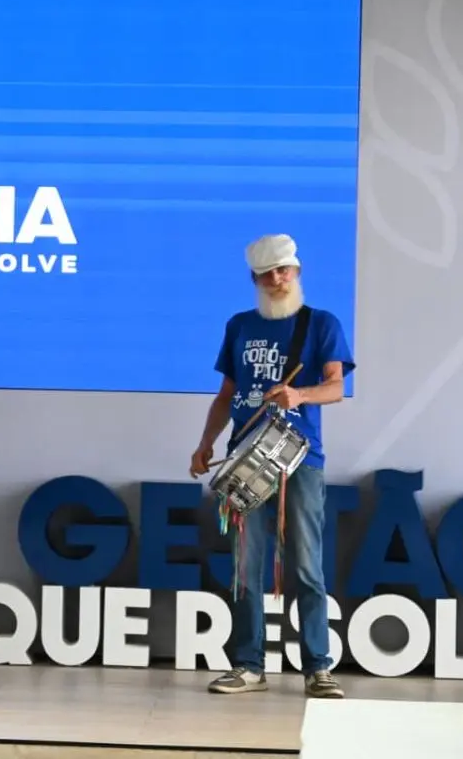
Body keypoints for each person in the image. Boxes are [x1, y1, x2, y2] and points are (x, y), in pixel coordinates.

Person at [189, 234, 354, 699]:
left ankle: (318, 668)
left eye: (284, 270)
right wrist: (205, 444)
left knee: (306, 567)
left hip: (300, 457)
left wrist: (299, 394)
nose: (277, 279)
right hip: (245, 457)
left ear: (297, 272)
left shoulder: (320, 324)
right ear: (255, 278)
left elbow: (336, 387)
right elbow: (226, 396)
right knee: (247, 567)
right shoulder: (239, 325)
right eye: (268, 273)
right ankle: (248, 665)